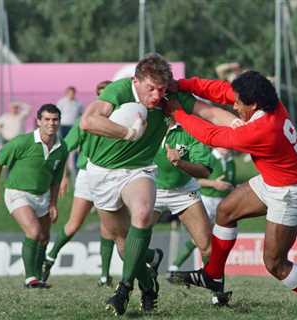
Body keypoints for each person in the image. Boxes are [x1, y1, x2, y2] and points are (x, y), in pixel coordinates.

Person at [80, 53, 239, 316]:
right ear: (136, 81)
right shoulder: (118, 90)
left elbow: (209, 112)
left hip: (140, 171)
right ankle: (149, 279)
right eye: (150, 88)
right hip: (102, 173)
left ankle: (123, 290)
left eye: (162, 89)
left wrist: (242, 125)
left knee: (141, 216)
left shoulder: (170, 99)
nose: (156, 95)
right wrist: (128, 133)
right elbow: (88, 121)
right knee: (123, 245)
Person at [168, 71, 297, 316]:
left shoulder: (261, 130)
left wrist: (177, 113)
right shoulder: (270, 102)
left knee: (274, 264)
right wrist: (182, 84)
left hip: (288, 194)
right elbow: (222, 90)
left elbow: (211, 136)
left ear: (254, 104)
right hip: (273, 180)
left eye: (238, 103)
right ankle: (213, 276)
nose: (233, 105)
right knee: (225, 211)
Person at [41, 80, 129, 287]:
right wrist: (63, 177)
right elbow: (66, 148)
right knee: (74, 224)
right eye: (100, 94)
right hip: (88, 174)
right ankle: (50, 257)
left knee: (110, 229)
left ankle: (105, 275)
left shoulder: (124, 120)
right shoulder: (86, 119)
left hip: (114, 176)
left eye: (107, 93)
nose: (104, 97)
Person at [0, 104, 68, 288]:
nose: (51, 123)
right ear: (38, 121)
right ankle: (30, 278)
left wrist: (53, 204)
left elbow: (56, 179)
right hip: (17, 192)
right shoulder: (22, 142)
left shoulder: (62, 147)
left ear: (59, 122)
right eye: (46, 119)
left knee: (45, 237)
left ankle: (38, 277)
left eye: (55, 119)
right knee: (33, 232)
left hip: (43, 196)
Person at [152, 118, 212, 274]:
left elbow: (204, 171)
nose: (159, 96)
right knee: (129, 243)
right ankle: (149, 264)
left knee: (207, 246)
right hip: (150, 188)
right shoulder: (144, 121)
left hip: (185, 190)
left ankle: (216, 289)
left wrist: (180, 163)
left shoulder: (192, 128)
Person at [169, 147, 236, 272]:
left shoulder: (230, 161)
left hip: (222, 204)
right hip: (206, 200)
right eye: (223, 144)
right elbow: (195, 180)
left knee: (211, 239)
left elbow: (232, 183)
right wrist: (214, 184)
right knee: (202, 237)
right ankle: (177, 266)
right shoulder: (209, 157)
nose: (226, 147)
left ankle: (206, 270)